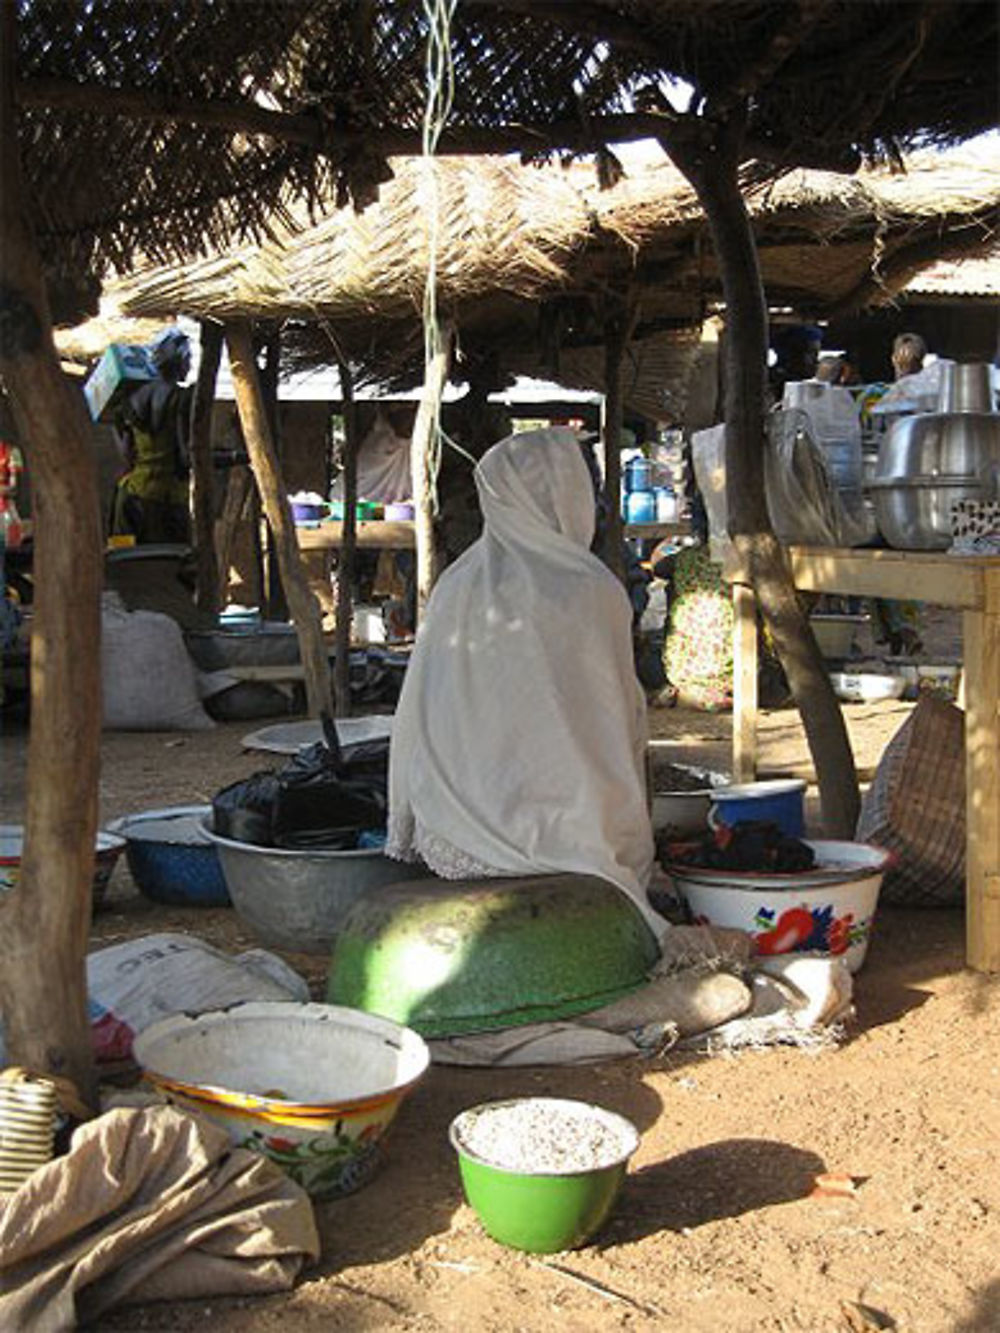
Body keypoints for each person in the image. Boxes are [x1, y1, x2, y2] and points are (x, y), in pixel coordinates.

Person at [385, 425, 660, 931]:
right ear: (560, 493)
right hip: (567, 844)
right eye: (587, 486)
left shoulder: (456, 582)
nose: (595, 502)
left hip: (450, 833)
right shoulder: (586, 587)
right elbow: (617, 724)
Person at [110, 328, 193, 544]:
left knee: (125, 560)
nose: (190, 365)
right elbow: (186, 457)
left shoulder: (131, 398)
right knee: (170, 569)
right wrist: (234, 457)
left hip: (129, 498)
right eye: (189, 358)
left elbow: (126, 456)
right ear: (179, 360)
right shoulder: (182, 399)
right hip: (167, 504)